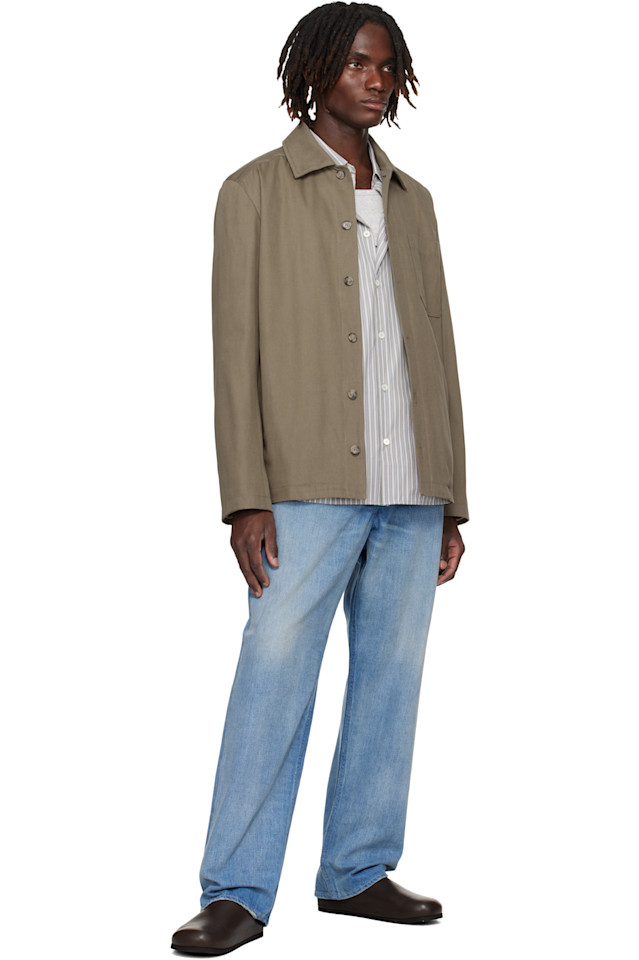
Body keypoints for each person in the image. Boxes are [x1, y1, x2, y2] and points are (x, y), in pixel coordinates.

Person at [171, 2, 469, 953]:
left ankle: (357, 871)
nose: (374, 81)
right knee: (273, 678)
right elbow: (233, 354)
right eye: (355, 65)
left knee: (390, 682)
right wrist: (244, 495)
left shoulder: (414, 201)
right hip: (302, 485)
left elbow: (437, 351)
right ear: (315, 73)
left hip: (410, 488)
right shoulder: (254, 191)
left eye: (386, 67)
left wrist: (452, 499)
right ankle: (236, 890)